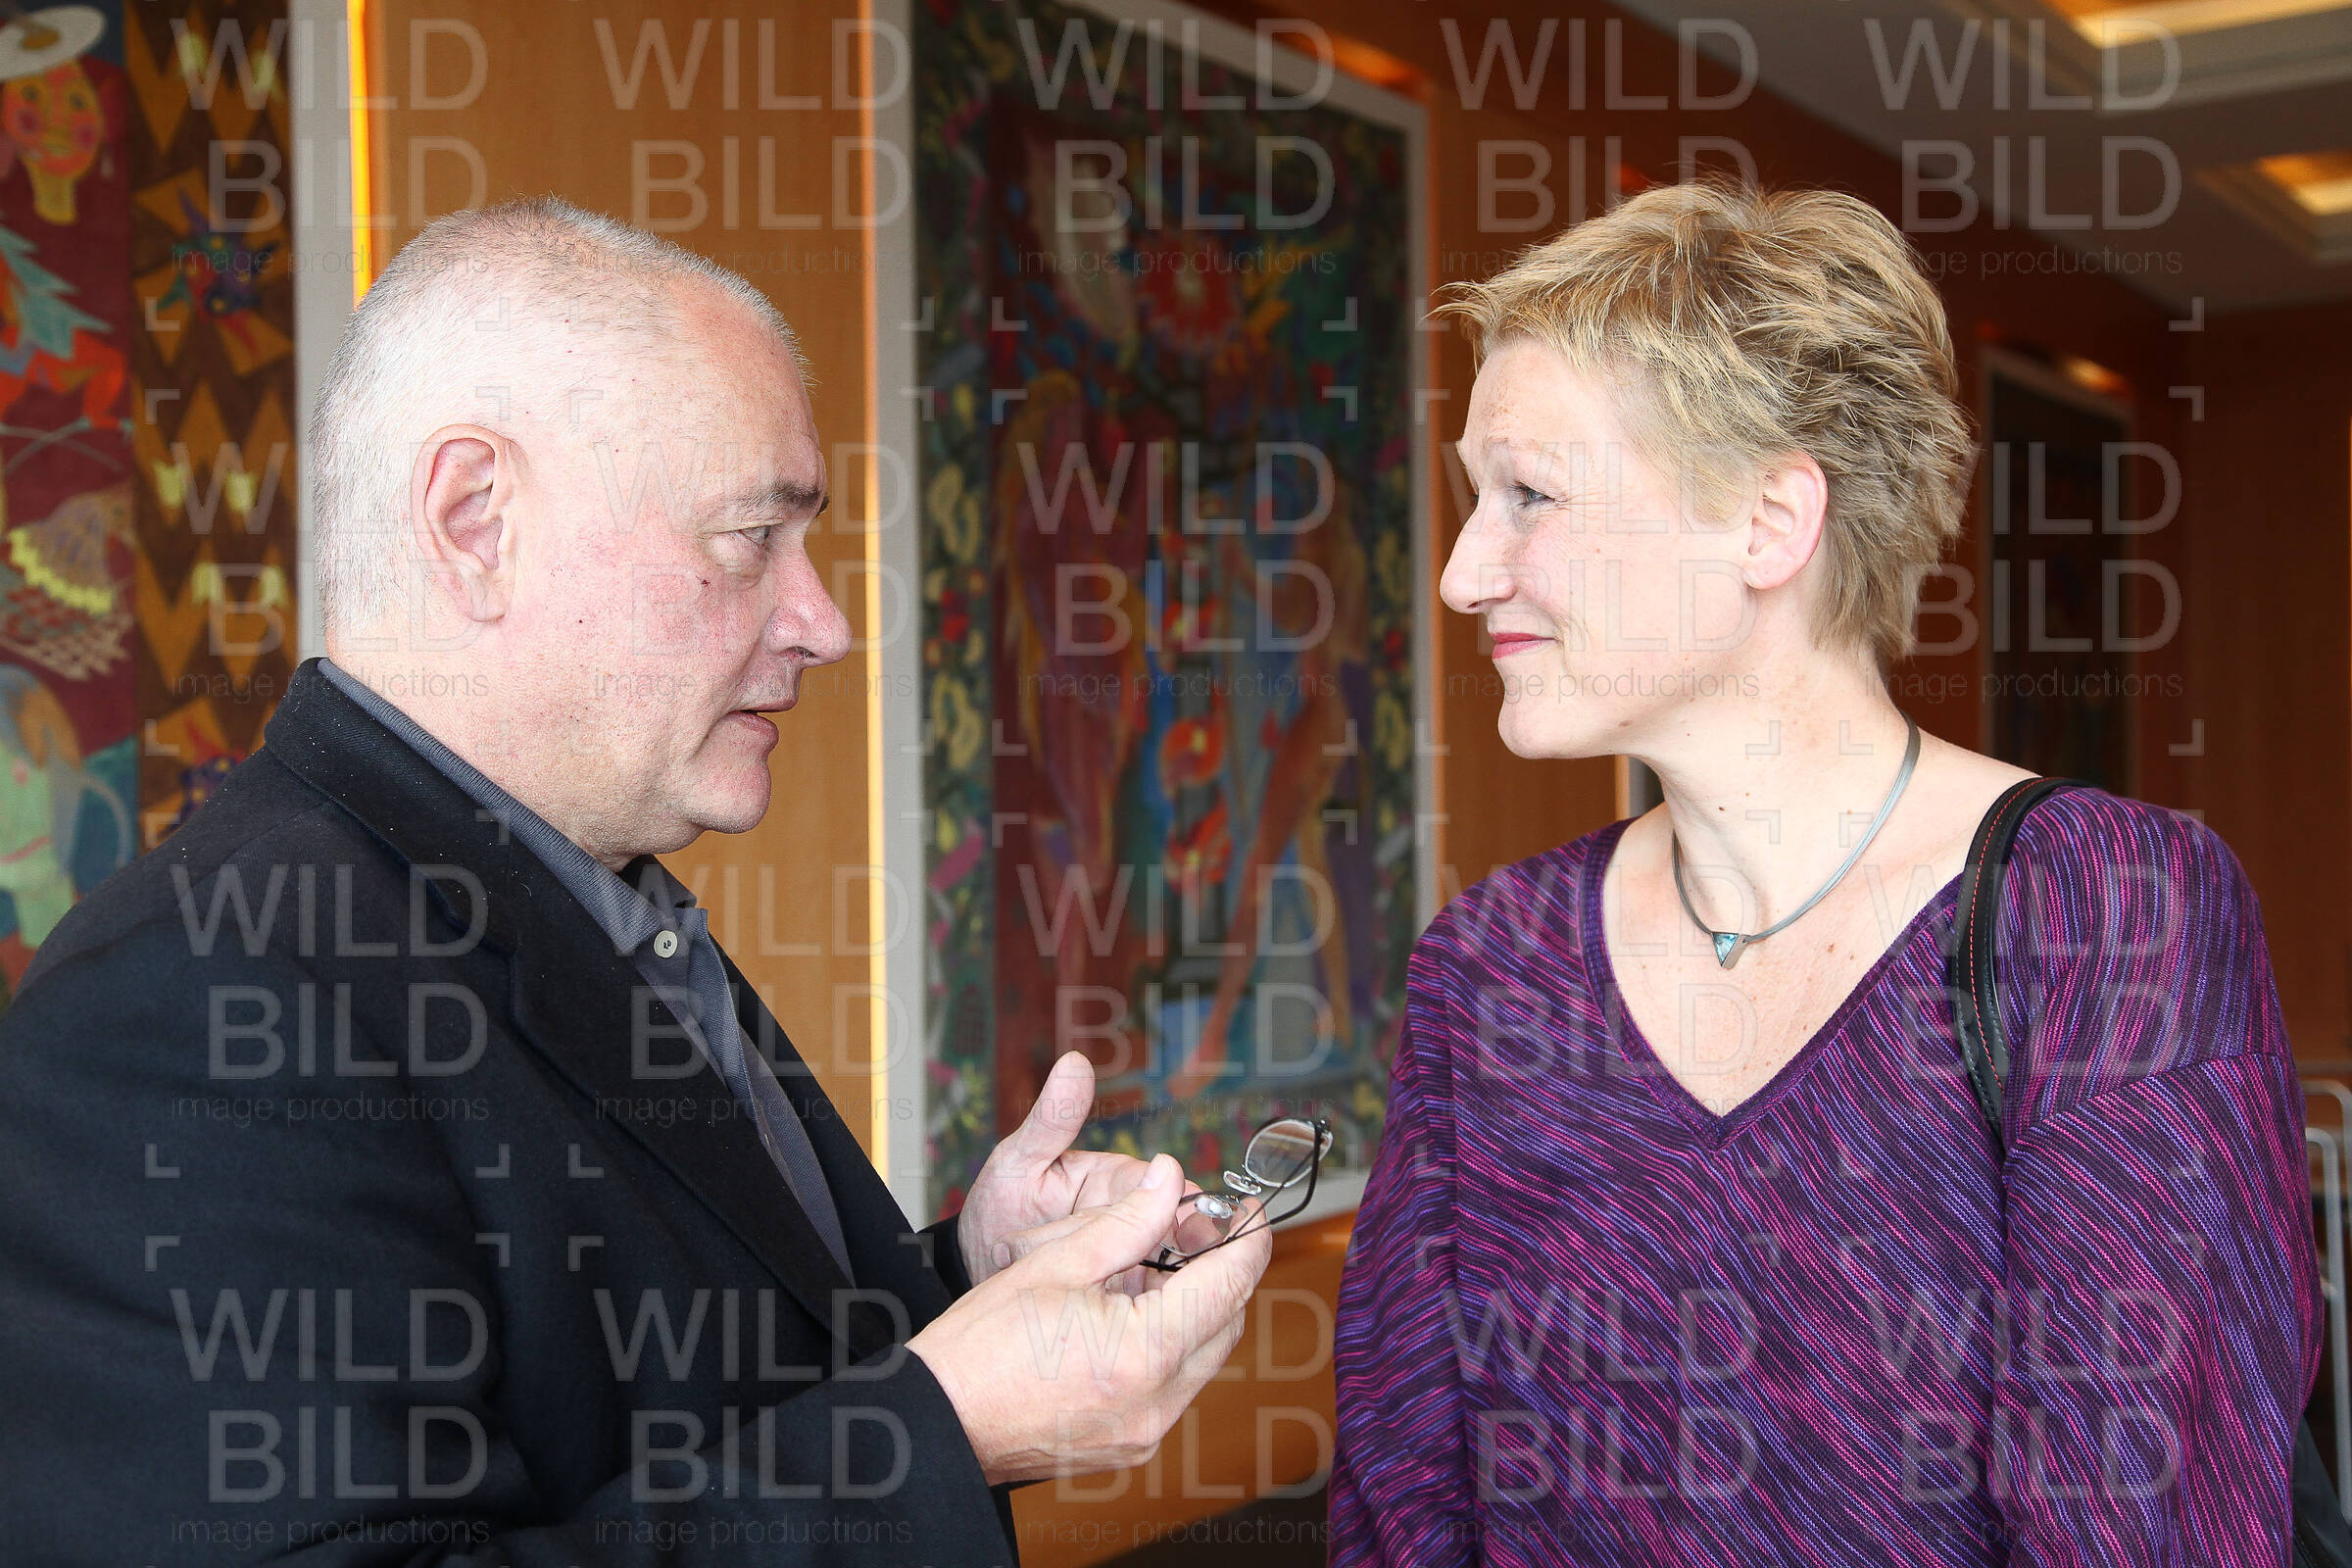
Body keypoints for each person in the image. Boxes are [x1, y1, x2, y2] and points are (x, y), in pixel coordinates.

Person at [0, 198, 1270, 1565]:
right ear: (475, 519)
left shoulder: (591, 891)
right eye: (750, 536)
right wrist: (946, 1431)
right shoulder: (187, 999)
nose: (824, 623)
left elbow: (676, 1387)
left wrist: (966, 1280)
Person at [1330, 180, 2318, 1564]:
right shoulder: (1491, 963)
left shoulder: (2107, 915)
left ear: (1769, 520)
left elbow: (2149, 1523)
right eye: (1473, 499)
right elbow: (1403, 1505)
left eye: (1530, 496)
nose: (1461, 572)